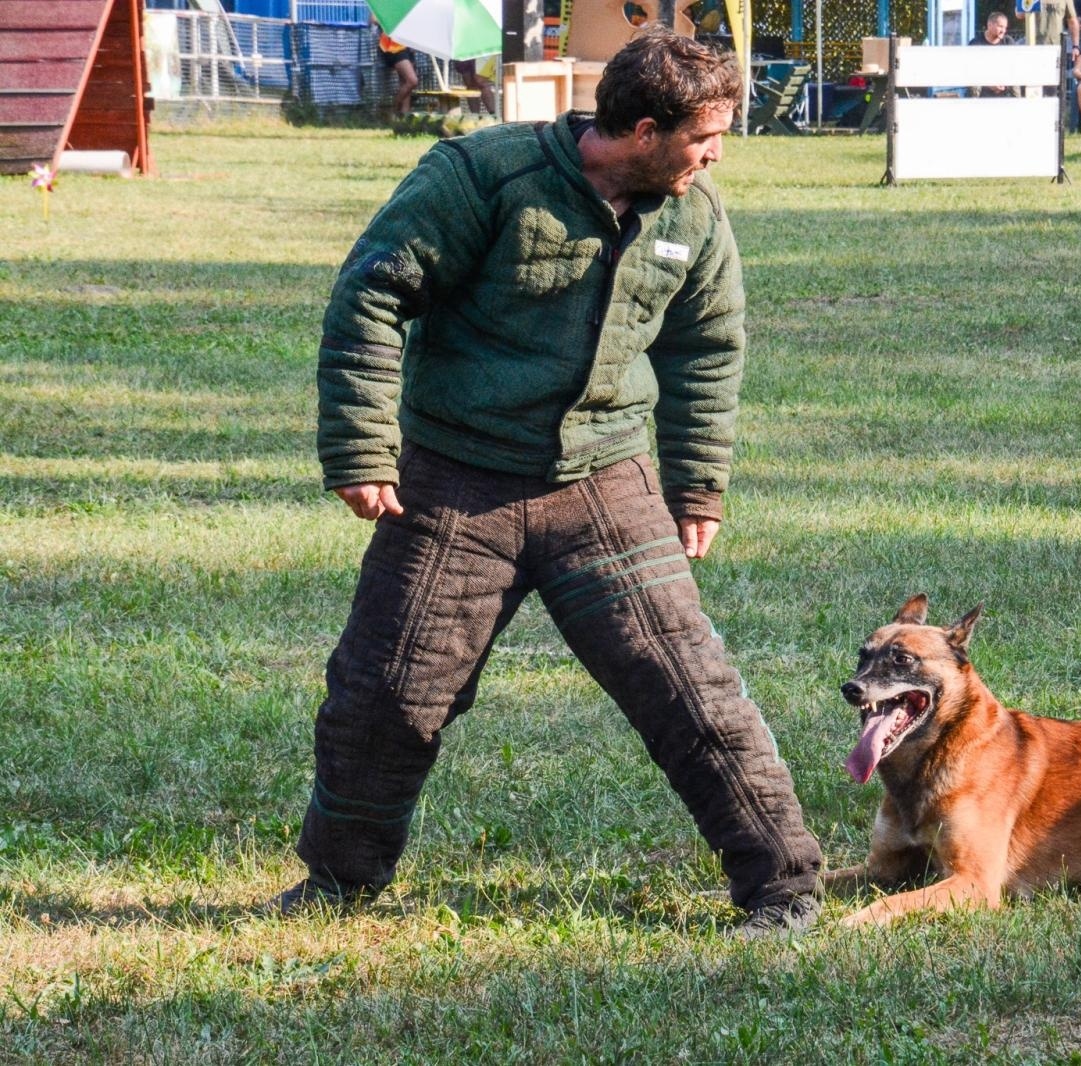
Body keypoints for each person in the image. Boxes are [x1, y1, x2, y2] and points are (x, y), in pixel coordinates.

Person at [276, 27, 824, 940]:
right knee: (385, 694)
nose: (717, 154)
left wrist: (698, 488)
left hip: (605, 482)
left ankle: (784, 889)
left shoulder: (695, 217)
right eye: (705, 136)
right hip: (453, 483)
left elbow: (708, 353)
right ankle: (339, 883)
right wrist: (363, 451)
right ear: (643, 129)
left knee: (692, 690)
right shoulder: (478, 176)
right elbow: (373, 293)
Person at [968, 11, 1016, 97]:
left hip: (1005, 86)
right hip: (983, 89)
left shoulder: (1008, 42)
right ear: (989, 25)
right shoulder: (976, 43)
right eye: (1000, 27)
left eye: (1005, 27)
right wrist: (989, 83)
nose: (1003, 31)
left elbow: (1013, 66)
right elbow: (971, 70)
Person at [375, 28, 419, 117]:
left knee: (405, 83)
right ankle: (393, 109)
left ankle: (404, 116)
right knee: (412, 81)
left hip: (407, 46)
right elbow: (373, 19)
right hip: (394, 47)